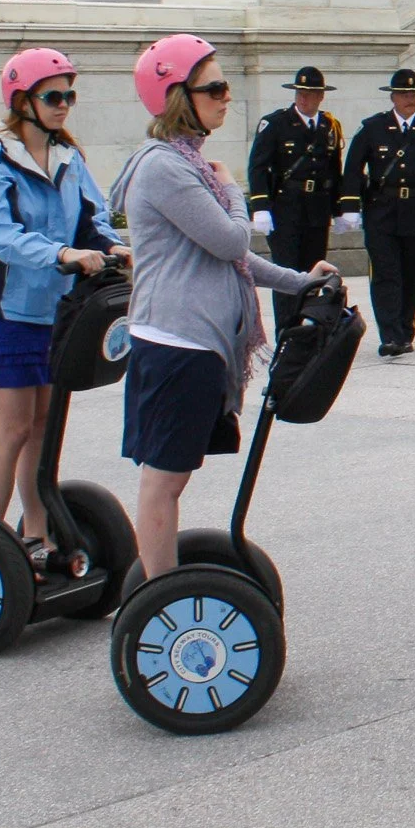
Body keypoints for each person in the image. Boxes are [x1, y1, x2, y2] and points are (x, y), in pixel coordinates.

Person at [108, 36, 332, 580]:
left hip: (197, 343)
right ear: (178, 96)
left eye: (225, 86)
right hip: (175, 342)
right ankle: (158, 598)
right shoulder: (166, 168)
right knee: (163, 480)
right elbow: (233, 241)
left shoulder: (188, 164)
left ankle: (159, 589)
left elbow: (232, 262)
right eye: (215, 87)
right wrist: (234, 191)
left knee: (174, 476)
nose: (227, 97)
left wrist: (300, 281)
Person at [0, 48, 124, 560]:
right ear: (22, 101)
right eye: (54, 96)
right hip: (5, 311)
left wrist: (111, 245)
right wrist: (62, 253)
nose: (64, 105)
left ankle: (36, 535)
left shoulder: (67, 156)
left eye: (69, 96)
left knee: (43, 427)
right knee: (12, 427)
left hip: (56, 310)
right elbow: (0, 237)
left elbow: (92, 219)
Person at [336, 67, 415, 357]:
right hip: (382, 212)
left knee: (413, 274)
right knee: (385, 274)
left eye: (414, 94)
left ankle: (406, 329)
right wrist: (349, 206)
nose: (410, 98)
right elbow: (353, 168)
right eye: (404, 94)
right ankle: (391, 335)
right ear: (393, 97)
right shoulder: (373, 128)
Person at [245, 66, 344, 336]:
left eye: (310, 93)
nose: (303, 98)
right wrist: (261, 207)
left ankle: (308, 329)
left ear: (320, 96)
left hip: (316, 209)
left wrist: (339, 209)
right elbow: (258, 167)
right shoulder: (276, 124)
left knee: (314, 270)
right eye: (300, 92)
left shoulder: (328, 126)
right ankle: (286, 332)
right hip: (285, 209)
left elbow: (334, 170)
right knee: (286, 273)